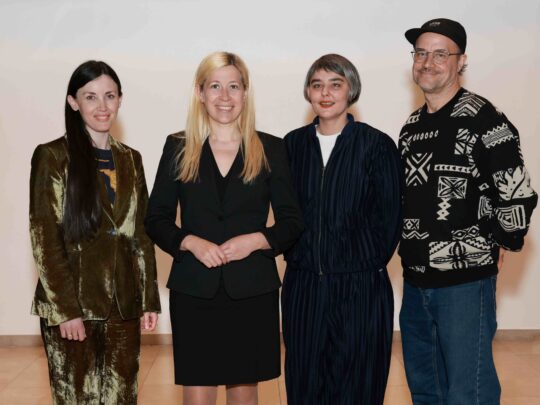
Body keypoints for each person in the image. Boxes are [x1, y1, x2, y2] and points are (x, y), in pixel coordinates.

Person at [144, 51, 303, 405]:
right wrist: (189, 242)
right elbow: (156, 218)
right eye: (215, 86)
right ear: (200, 93)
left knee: (244, 393)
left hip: (252, 291)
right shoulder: (178, 147)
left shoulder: (271, 148)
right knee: (198, 394)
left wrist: (257, 240)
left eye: (234, 86)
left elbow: (293, 221)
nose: (225, 96)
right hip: (194, 290)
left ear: (245, 92)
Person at [398, 18, 538, 404]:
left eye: (440, 54)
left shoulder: (484, 119)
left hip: (464, 284)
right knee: (425, 390)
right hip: (415, 282)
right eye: (420, 53)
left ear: (461, 61)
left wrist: (501, 241)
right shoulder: (411, 128)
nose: (428, 62)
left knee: (468, 392)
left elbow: (517, 193)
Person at [29, 60, 161, 404]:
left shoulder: (131, 159)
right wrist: (66, 310)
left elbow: (141, 233)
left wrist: (148, 298)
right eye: (90, 97)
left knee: (122, 397)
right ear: (73, 102)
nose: (102, 106)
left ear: (120, 100)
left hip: (124, 304)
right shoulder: (52, 156)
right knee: (79, 398)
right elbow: (45, 238)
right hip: (74, 305)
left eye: (110, 96)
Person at [281, 54, 402, 405]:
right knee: (304, 384)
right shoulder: (291, 146)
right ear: (308, 91)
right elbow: (283, 212)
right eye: (317, 85)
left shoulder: (376, 145)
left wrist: (361, 262)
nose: (325, 93)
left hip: (360, 286)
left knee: (359, 385)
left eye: (336, 84)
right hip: (304, 284)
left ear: (351, 90)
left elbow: (391, 218)